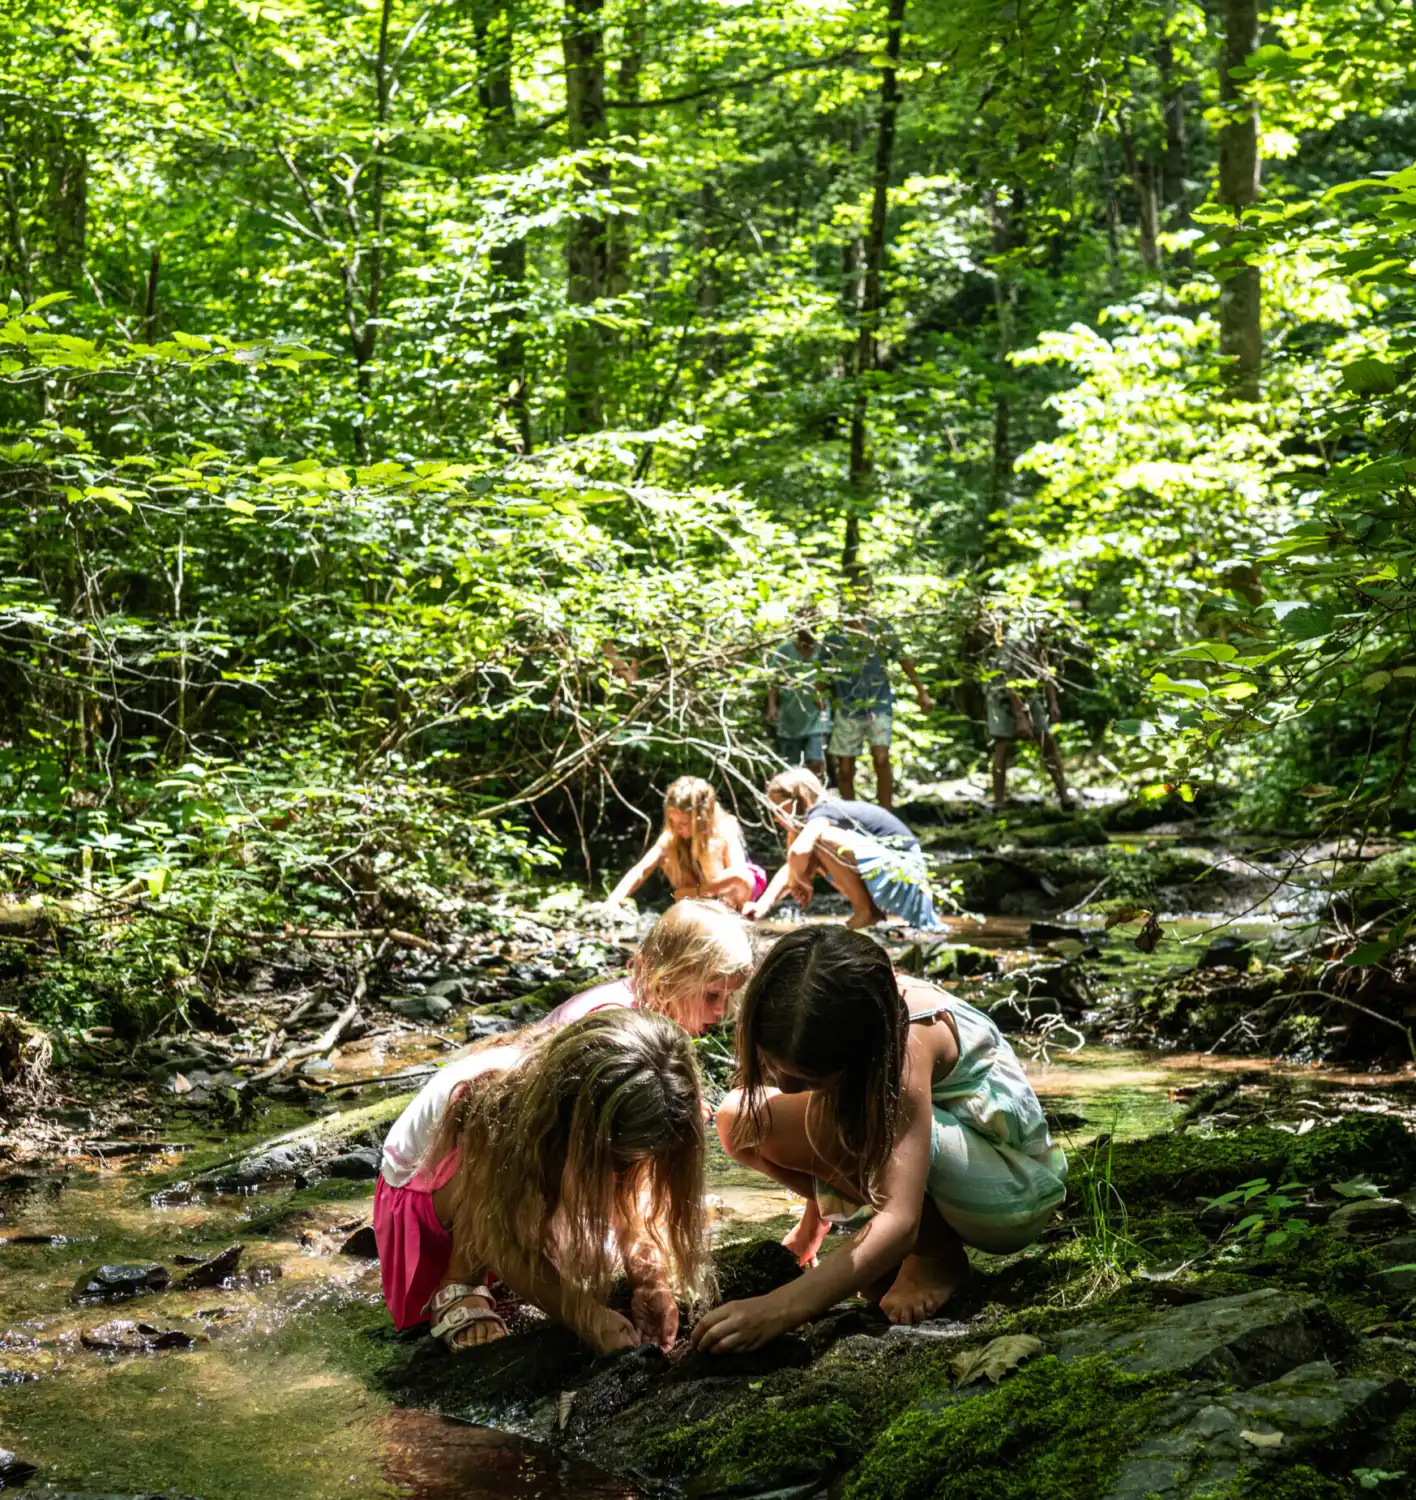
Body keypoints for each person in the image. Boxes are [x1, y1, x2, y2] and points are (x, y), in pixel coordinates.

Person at [692, 926, 1066, 1353]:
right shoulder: (832, 1002)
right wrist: (810, 1229)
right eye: (777, 1067)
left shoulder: (906, 1041)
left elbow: (901, 1220)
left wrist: (779, 1309)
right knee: (739, 1119)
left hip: (1012, 1190)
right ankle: (897, 1250)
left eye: (809, 1076)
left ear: (863, 1048)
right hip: (952, 1165)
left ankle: (937, 1257)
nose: (788, 1087)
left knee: (832, 1116)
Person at [374, 1008, 709, 1355]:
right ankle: (461, 1281)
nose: (621, 1174)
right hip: (426, 1192)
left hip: (532, 1159)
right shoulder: (500, 1101)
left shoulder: (619, 1110)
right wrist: (587, 1317)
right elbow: (501, 1237)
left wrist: (650, 1282)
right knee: (498, 1173)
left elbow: (632, 1200)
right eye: (618, 1160)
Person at [743, 767, 942, 931]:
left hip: (905, 874)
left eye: (779, 808)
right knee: (813, 849)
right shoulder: (814, 821)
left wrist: (801, 879)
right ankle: (870, 913)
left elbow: (798, 852)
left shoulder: (823, 812)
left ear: (799, 801)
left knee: (821, 841)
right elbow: (791, 864)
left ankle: (866, 913)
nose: (776, 817)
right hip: (895, 875)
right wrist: (762, 905)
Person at [543, 899, 755, 1036]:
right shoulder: (617, 1023)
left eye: (729, 996)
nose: (722, 1009)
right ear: (665, 977)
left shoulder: (650, 1010)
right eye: (711, 995)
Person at [820, 584, 933, 811]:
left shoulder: (881, 629)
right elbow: (822, 672)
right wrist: (819, 697)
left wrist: (922, 692)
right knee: (845, 769)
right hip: (847, 708)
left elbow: (904, 660)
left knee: (881, 758)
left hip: (878, 705)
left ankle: (886, 812)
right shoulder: (834, 635)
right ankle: (852, 816)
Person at [607, 776, 766, 912]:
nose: (677, 827)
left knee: (742, 878)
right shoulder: (671, 837)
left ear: (702, 817)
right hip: (698, 895)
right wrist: (613, 900)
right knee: (670, 855)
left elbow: (738, 875)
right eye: (672, 821)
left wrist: (696, 892)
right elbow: (641, 870)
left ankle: (729, 917)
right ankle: (695, 910)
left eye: (683, 822)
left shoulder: (724, 829)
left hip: (727, 896)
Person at [983, 611, 1073, 812]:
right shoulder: (1019, 642)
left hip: (1029, 691)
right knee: (1003, 745)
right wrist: (1021, 717)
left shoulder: (1043, 641)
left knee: (1046, 740)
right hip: (1001, 693)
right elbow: (1010, 682)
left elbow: (1045, 670)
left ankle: (1064, 796)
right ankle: (998, 801)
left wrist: (1053, 702)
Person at [767, 627, 829, 779]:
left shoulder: (824, 649)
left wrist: (820, 694)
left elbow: (827, 678)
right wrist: (772, 706)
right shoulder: (784, 651)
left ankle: (817, 796)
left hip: (816, 714)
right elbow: (772, 681)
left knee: (816, 762)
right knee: (791, 767)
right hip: (790, 714)